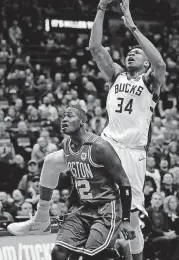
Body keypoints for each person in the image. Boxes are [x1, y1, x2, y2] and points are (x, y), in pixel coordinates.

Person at [89, 0, 166, 260]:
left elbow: (160, 64)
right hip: (107, 145)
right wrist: (101, 6)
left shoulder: (151, 81)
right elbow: (96, 49)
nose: (131, 52)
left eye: (137, 52)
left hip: (132, 154)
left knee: (131, 219)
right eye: (130, 51)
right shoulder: (116, 75)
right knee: (89, 201)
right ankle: (43, 213)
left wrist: (130, 22)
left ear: (145, 62)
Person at [8, 106, 135, 260]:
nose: (64, 120)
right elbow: (77, 179)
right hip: (82, 207)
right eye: (63, 117)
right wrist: (67, 205)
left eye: (69, 116)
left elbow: (124, 182)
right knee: (58, 253)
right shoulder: (67, 144)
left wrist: (126, 220)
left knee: (91, 256)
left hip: (106, 208)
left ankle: (116, 252)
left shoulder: (100, 147)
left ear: (82, 121)